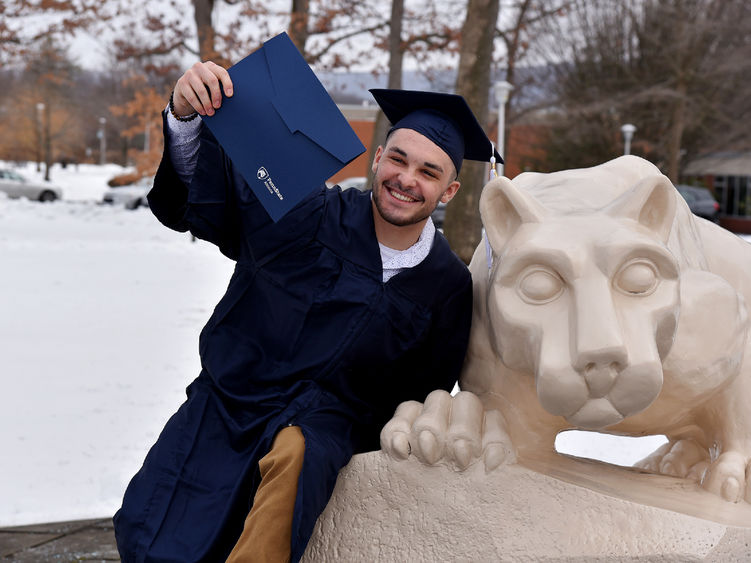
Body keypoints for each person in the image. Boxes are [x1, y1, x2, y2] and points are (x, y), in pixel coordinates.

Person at [113, 59, 501, 562]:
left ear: (449, 191)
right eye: (398, 160)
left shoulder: (447, 287)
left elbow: (419, 398)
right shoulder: (307, 214)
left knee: (298, 455)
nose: (406, 179)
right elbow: (209, 204)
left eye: (428, 172)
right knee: (155, 538)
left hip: (322, 438)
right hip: (228, 408)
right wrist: (187, 118)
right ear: (378, 158)